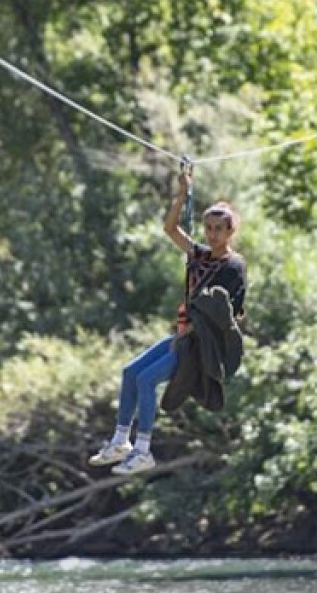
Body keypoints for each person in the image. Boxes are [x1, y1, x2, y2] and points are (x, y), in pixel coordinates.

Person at [87, 165, 247, 475]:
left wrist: (197, 319)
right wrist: (182, 195)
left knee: (148, 380)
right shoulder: (199, 255)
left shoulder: (234, 265)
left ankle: (143, 450)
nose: (213, 234)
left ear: (230, 232)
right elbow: (171, 230)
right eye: (209, 228)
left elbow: (229, 309)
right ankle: (121, 441)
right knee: (130, 372)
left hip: (201, 345)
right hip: (183, 335)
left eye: (219, 229)